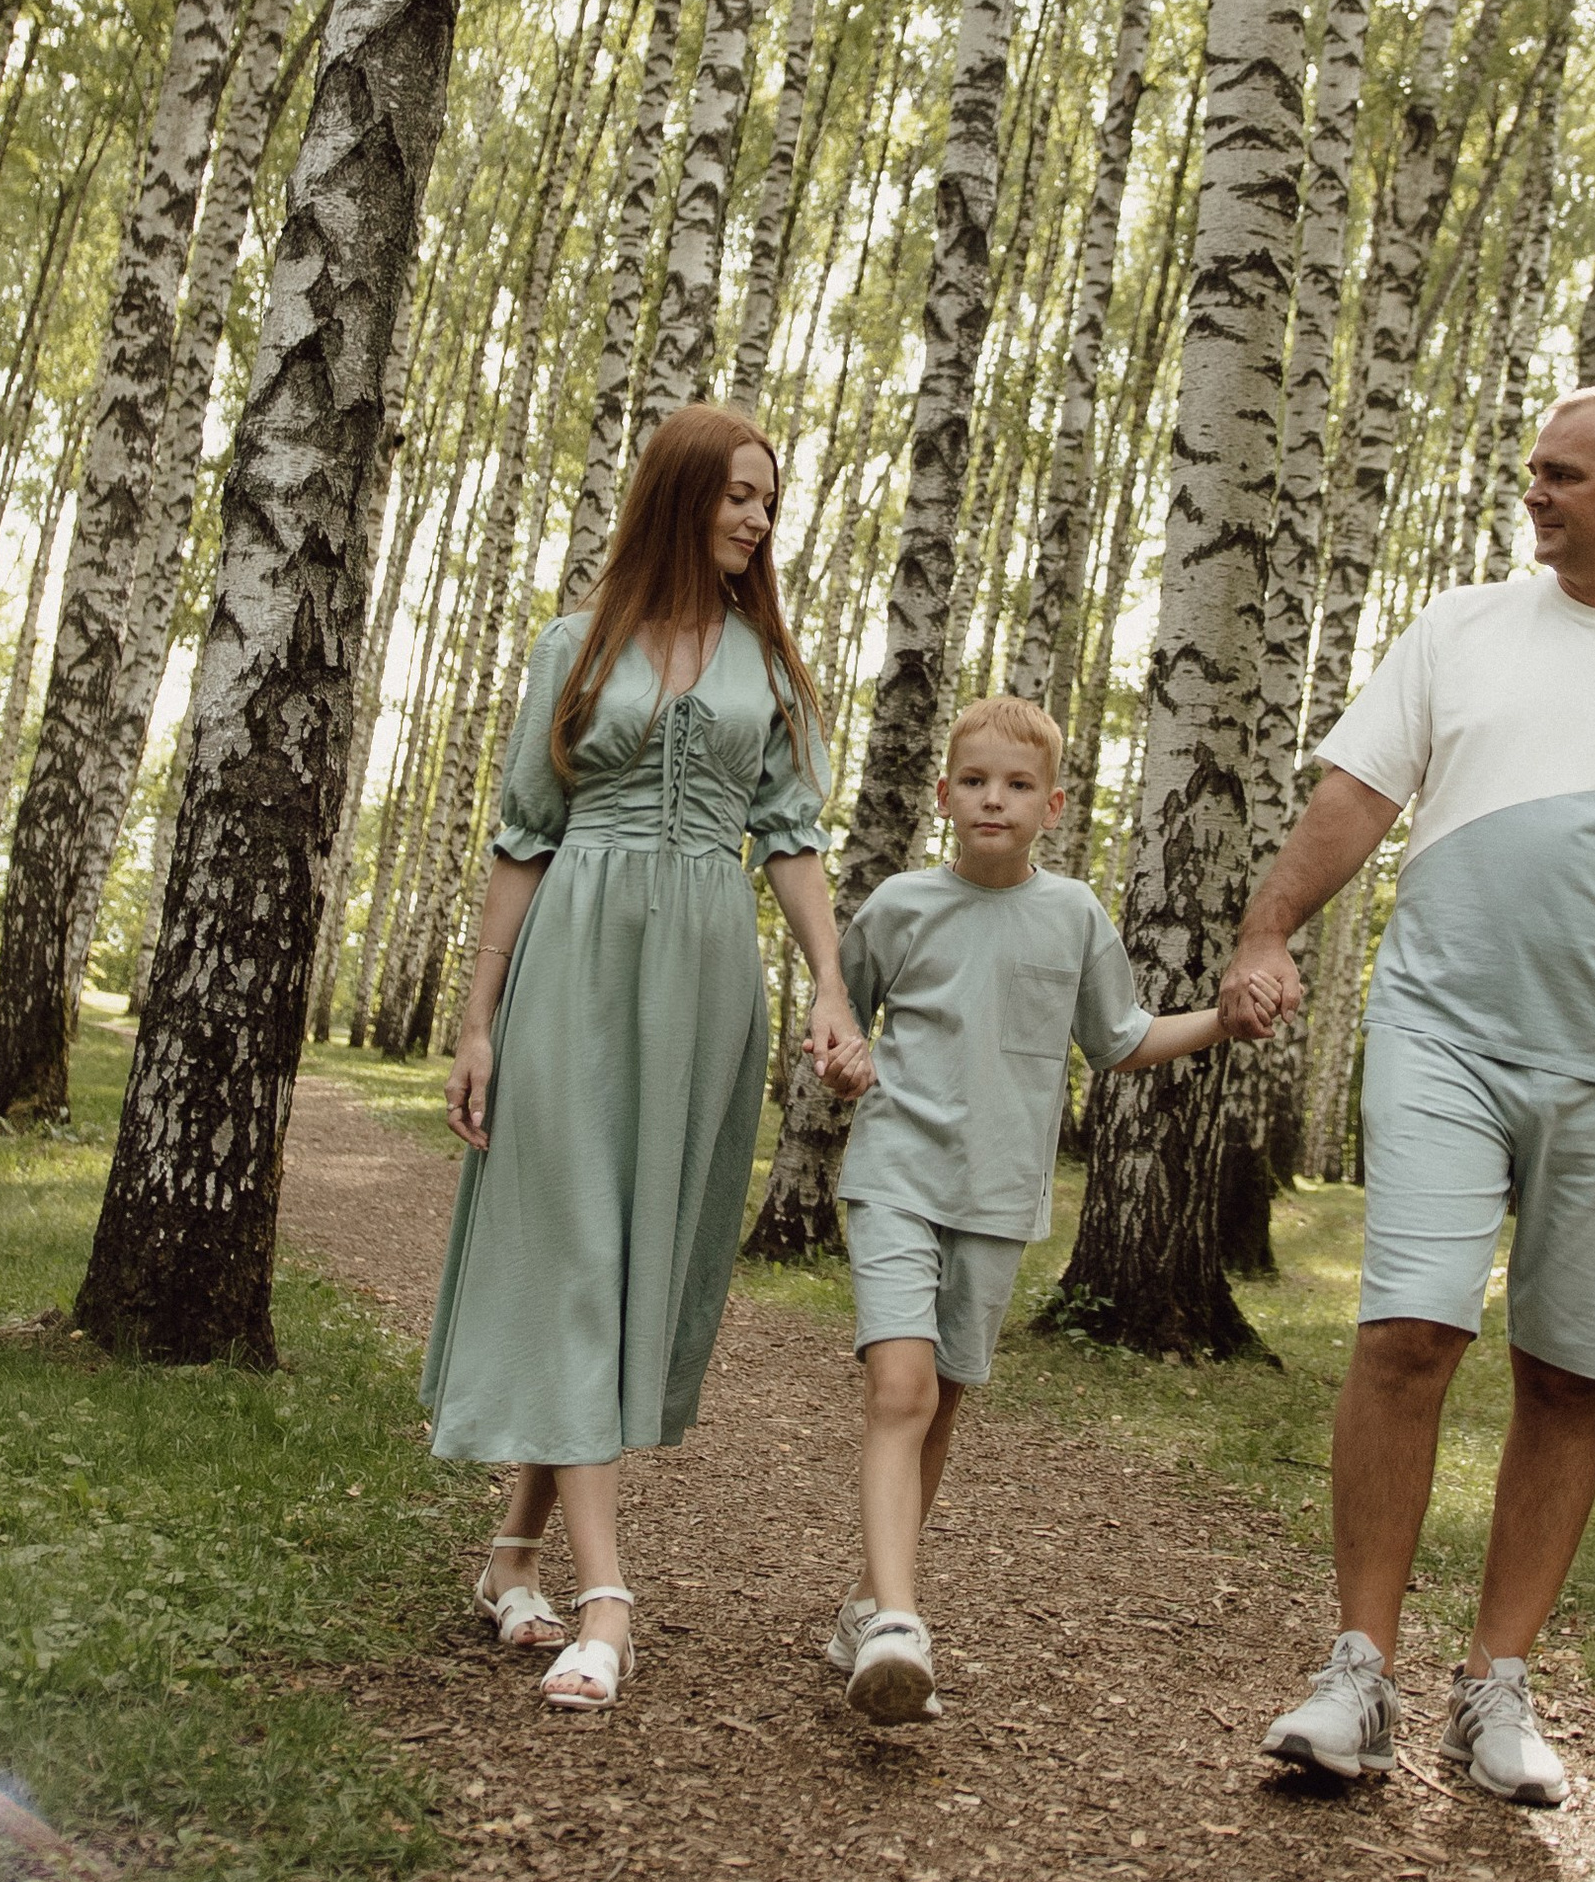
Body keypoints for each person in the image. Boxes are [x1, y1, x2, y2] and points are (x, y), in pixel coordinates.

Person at [1229, 391, 1595, 1807]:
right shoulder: (1462, 630)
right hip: (1442, 1030)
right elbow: (1355, 795)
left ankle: (1497, 1686)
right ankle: (1355, 1672)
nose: (1533, 495)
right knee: (1408, 1332)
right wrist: (1268, 930)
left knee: (1567, 1371)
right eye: (1529, 472)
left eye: (1562, 476)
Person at [424, 404, 870, 1713]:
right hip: (574, 960)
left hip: (702, 977)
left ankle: (513, 1551)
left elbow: (788, 835)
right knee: (575, 1245)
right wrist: (476, 1019)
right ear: (680, 495)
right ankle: (609, 1596)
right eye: (738, 494)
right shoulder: (576, 648)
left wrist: (831, 983)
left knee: (630, 1256)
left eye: (769, 503)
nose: (756, 519)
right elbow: (521, 837)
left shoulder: (765, 666)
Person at [820, 693, 1262, 1725]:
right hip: (894, 1175)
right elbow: (839, 1013)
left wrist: (1222, 1023)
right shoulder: (895, 905)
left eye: (1017, 785)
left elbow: (1118, 1039)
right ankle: (898, 1620)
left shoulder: (1072, 918)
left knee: (941, 1404)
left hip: (997, 1199)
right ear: (942, 795)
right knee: (899, 1391)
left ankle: (865, 1608)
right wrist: (842, 1061)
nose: (992, 799)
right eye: (973, 780)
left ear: (1052, 805)